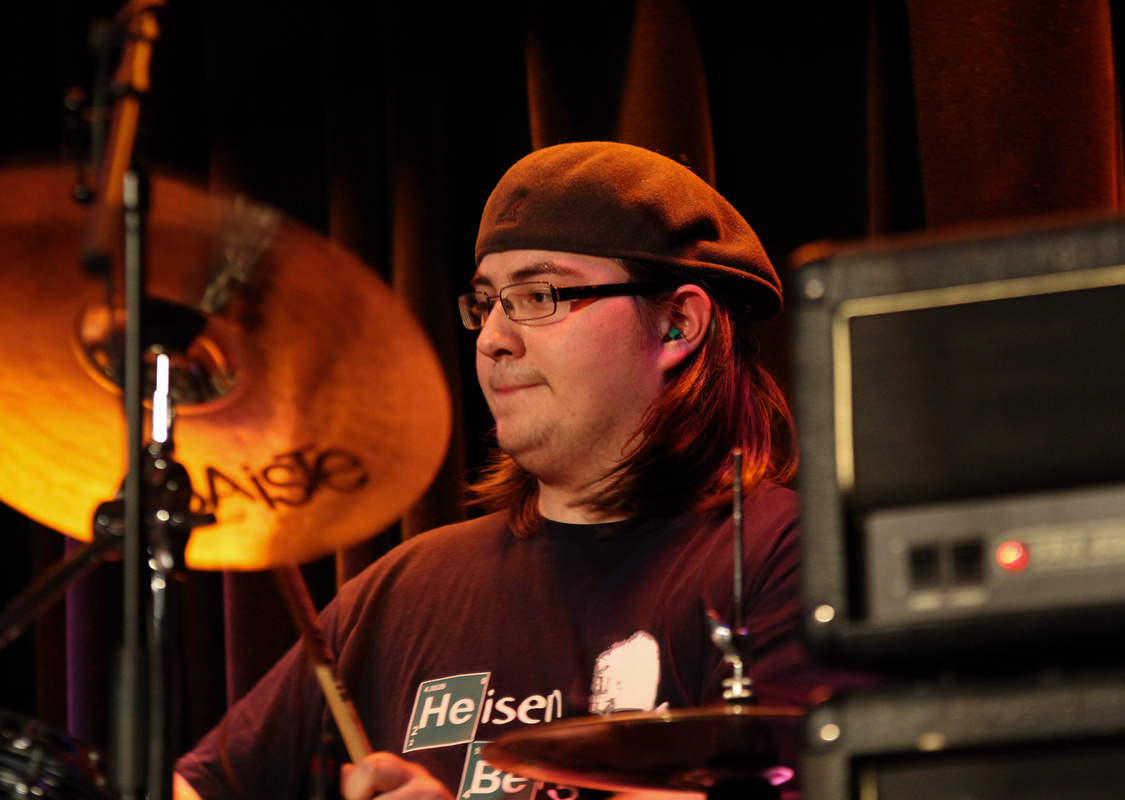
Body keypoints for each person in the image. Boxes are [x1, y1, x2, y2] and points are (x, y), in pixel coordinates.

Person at [174, 141, 869, 800]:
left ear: (677, 325)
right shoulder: (402, 589)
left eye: (540, 297)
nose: (493, 339)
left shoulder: (795, 558)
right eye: (486, 303)